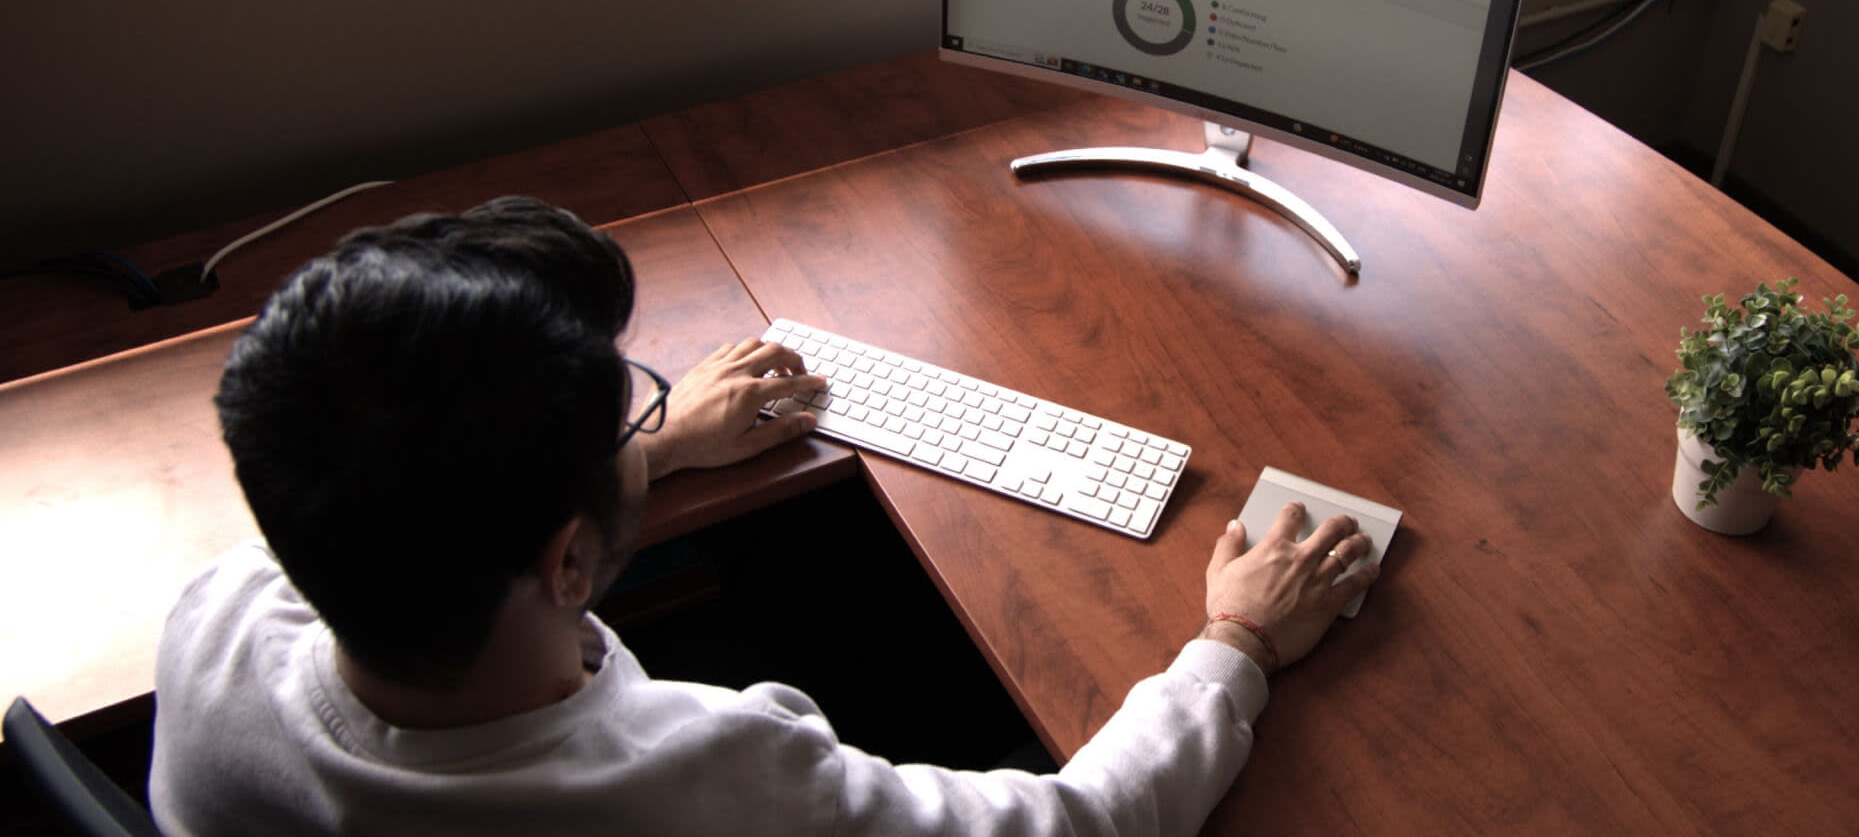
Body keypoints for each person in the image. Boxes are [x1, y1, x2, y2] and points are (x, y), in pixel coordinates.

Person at [149, 195, 1380, 836]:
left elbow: (412, 491)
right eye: (623, 408)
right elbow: (1085, 827)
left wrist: (665, 449)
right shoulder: (697, 788)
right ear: (568, 558)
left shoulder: (217, 619)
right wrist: (1237, 646)